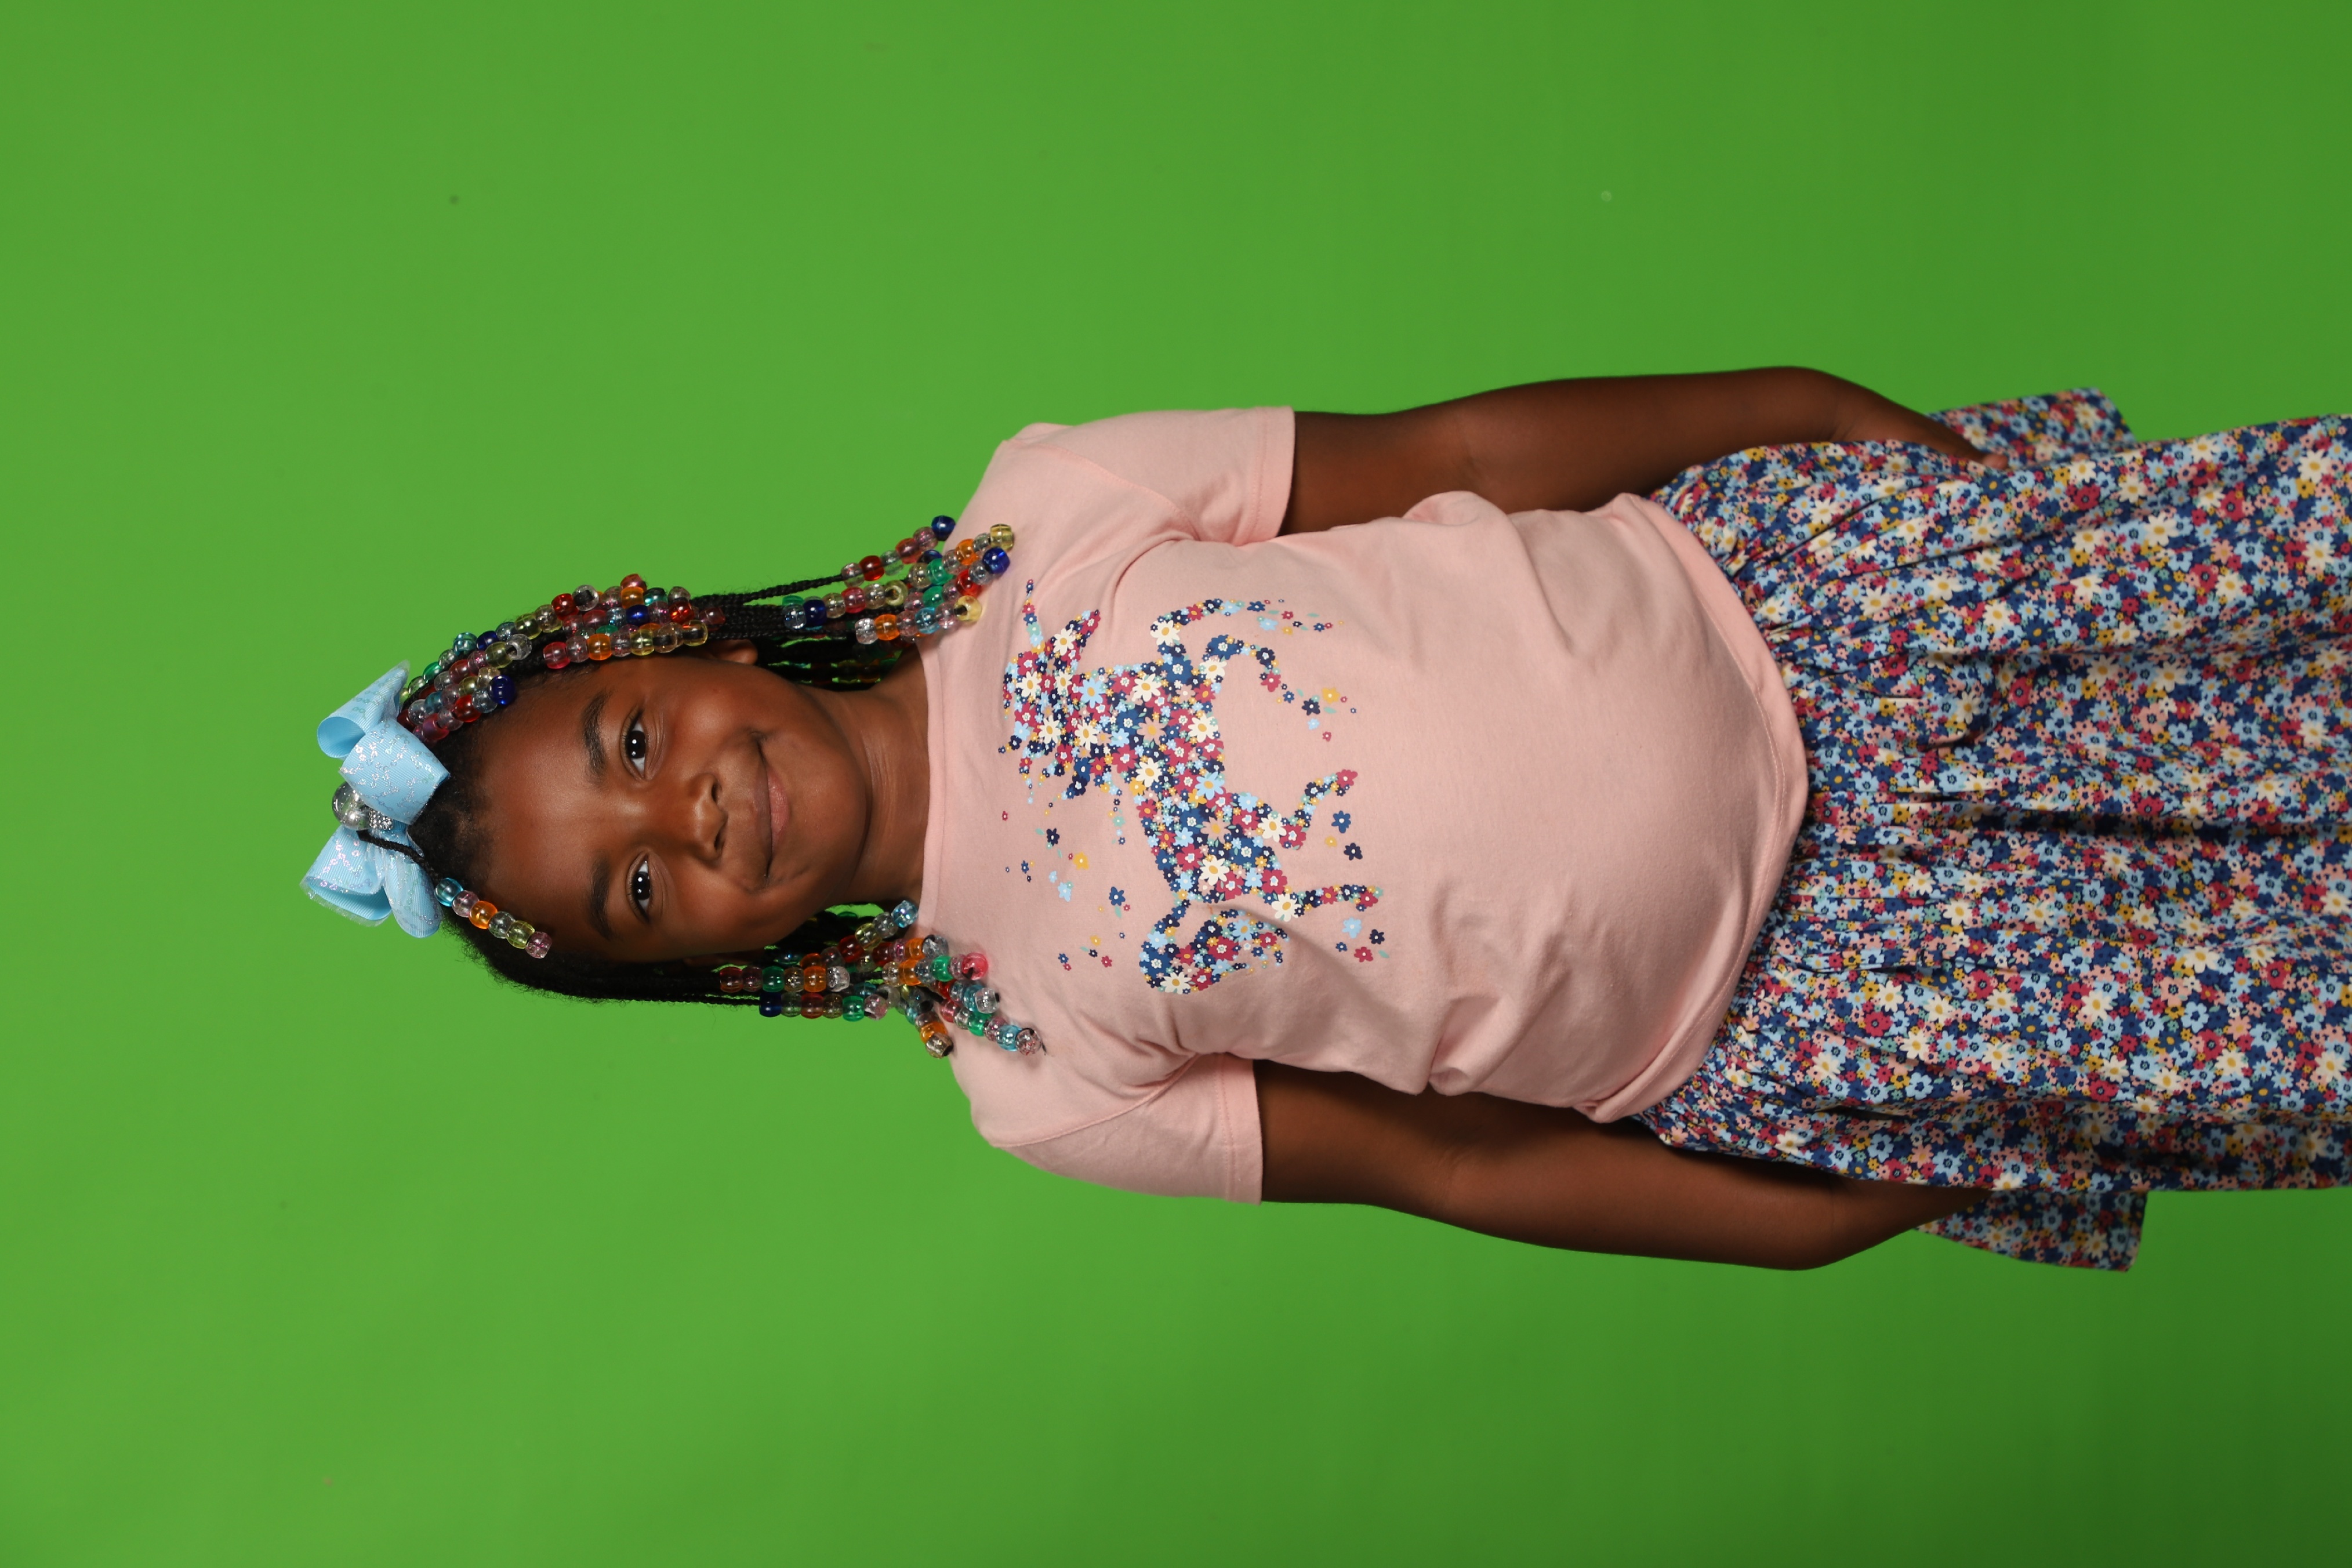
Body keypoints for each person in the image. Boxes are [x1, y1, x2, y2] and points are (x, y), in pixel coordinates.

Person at [301, 369, 2352, 1271]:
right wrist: (1798, 1216)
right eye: (638, 889)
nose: (689, 812)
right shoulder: (1038, 1070)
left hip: (1825, 616)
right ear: (708, 961)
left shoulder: (1047, 517)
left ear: (676, 643)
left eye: (635, 737)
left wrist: (1785, 403)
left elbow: (1456, 447)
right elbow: (1447, 1168)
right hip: (1834, 1000)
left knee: (2295, 610)